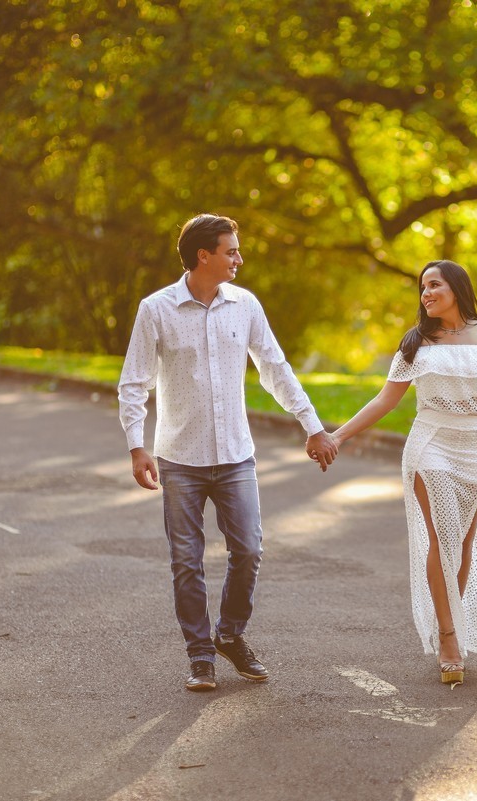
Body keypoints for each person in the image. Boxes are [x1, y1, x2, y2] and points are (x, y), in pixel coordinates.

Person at [118, 213, 338, 692]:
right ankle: (200, 655)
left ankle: (230, 634)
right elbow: (133, 382)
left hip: (236, 454)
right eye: (231, 250)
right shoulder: (156, 309)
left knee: (249, 550)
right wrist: (137, 447)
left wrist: (314, 427)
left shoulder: (245, 305)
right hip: (179, 457)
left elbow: (275, 369)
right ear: (205, 255)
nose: (239, 258)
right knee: (186, 560)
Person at [324, 259, 477, 685]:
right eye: (422, 287)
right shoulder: (416, 343)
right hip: (431, 445)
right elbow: (384, 401)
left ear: (457, 288)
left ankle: (449, 619)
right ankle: (448, 637)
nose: (426, 293)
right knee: (442, 537)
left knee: (463, 541)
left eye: (434, 285)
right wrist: (337, 436)